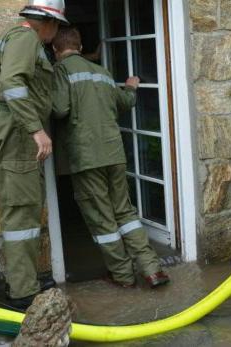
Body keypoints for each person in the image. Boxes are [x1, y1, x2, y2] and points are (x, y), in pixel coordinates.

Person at [51, 27, 170, 289]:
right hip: (114, 152)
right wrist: (130, 87)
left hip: (86, 156)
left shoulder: (61, 71)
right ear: (80, 47)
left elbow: (59, 109)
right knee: (125, 212)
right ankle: (152, 269)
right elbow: (125, 102)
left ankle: (123, 275)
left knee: (102, 219)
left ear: (55, 50)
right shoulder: (103, 73)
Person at [0, 0, 69, 309]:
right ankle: (22, 290)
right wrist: (36, 129)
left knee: (16, 204)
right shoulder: (27, 39)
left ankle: (23, 277)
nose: (56, 34)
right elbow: (13, 83)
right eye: (57, 27)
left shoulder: (8, 37)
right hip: (13, 128)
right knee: (23, 210)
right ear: (48, 22)